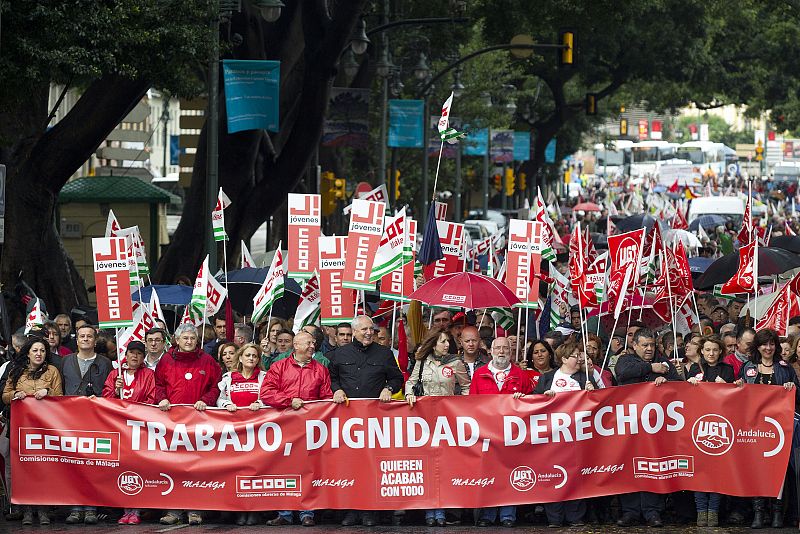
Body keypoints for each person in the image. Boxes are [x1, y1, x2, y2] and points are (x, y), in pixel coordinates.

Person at [329, 316, 403, 527]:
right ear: (354, 331)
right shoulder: (339, 354)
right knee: (349, 466)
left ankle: (371, 510)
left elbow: (397, 379)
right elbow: (332, 377)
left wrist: (389, 389)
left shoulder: (384, 353)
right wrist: (337, 389)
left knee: (372, 466)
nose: (369, 333)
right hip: (347, 421)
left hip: (375, 422)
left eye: (371, 329)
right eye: (364, 329)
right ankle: (351, 510)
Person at [261, 332, 332, 527]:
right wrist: (289, 401)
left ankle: (306, 513)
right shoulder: (279, 367)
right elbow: (266, 393)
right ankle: (284, 512)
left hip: (309, 428)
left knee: (308, 469)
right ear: (296, 345)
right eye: (308, 343)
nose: (312, 346)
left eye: (314, 343)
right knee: (283, 468)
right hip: (284, 425)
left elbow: (326, 396)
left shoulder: (320, 369)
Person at [155, 323, 222, 526]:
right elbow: (158, 385)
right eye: (185, 338)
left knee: (196, 467)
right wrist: (162, 399)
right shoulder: (166, 360)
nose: (189, 341)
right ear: (177, 340)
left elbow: (216, 386)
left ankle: (195, 510)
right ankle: (174, 511)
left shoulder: (207, 361)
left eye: (192, 338)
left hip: (199, 422)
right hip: (172, 423)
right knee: (173, 466)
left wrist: (206, 400)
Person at [614, 328, 681, 528]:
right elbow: (623, 374)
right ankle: (630, 512)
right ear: (634, 346)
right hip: (631, 426)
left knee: (654, 468)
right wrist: (652, 368)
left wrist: (666, 380)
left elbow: (679, 384)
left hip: (656, 428)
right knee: (629, 469)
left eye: (652, 345)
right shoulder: (625, 360)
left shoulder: (665, 363)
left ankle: (653, 512)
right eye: (645, 345)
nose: (649, 348)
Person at [405, 330, 470, 527]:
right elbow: (411, 382)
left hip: (446, 420)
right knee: (426, 466)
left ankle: (441, 511)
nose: (446, 345)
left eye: (448, 342)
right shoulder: (423, 361)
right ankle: (428, 512)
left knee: (442, 466)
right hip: (424, 419)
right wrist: (409, 394)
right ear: (433, 344)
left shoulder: (456, 363)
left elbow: (466, 387)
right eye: (443, 342)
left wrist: (462, 406)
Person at [735, 328, 799, 529]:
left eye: (772, 344)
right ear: (757, 346)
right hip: (754, 428)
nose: (768, 348)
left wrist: (792, 387)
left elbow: (797, 397)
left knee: (778, 471)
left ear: (776, 346)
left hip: (778, 429)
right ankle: (758, 513)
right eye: (764, 344)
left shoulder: (785, 367)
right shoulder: (747, 367)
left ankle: (777, 512)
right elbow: (737, 399)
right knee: (756, 471)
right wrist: (737, 386)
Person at [2, 338, 62, 526]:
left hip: (44, 428)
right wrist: (15, 395)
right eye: (35, 350)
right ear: (27, 353)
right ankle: (27, 510)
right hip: (20, 428)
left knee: (43, 467)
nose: (39, 354)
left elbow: (60, 397)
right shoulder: (15, 371)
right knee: (23, 469)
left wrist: (47, 391)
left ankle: (43, 509)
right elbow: (4, 396)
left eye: (42, 351)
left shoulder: (52, 372)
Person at [534, 340, 594, 528]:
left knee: (576, 476)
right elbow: (533, 401)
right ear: (564, 358)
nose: (579, 359)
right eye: (575, 356)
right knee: (552, 475)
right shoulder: (547, 378)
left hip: (577, 437)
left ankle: (575, 517)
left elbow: (599, 405)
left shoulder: (585, 378)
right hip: (551, 437)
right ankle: (554, 518)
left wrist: (593, 393)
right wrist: (544, 397)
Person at [471, 337, 529, 527]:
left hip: (512, 435)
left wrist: (523, 399)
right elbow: (471, 404)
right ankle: (487, 516)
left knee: (510, 473)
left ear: (511, 352)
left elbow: (532, 403)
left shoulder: (521, 375)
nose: (502, 351)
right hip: (487, 434)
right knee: (489, 474)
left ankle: (507, 516)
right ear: (491, 351)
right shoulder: (479, 374)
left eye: (506, 348)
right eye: (498, 348)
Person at [684, 335, 734, 527]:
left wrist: (727, 387)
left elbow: (735, 397)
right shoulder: (695, 369)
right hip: (697, 426)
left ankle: (713, 511)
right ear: (701, 352)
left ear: (720, 351)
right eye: (707, 350)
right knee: (698, 470)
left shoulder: (727, 370)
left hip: (720, 426)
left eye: (715, 349)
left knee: (717, 470)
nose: (711, 353)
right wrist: (689, 385)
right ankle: (700, 511)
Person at [217, 342, 266, 526]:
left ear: (258, 360)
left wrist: (260, 404)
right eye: (248, 355)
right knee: (237, 471)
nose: (251, 359)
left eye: (254, 356)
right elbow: (219, 399)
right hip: (235, 433)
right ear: (241, 357)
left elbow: (269, 397)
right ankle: (239, 510)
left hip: (257, 432)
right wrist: (225, 405)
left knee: (255, 471)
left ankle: (254, 511)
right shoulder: (229, 377)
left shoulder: (263, 377)